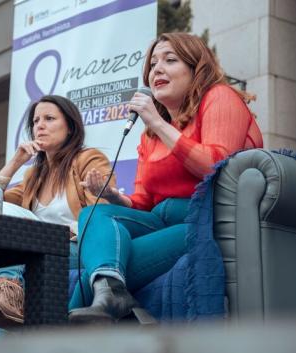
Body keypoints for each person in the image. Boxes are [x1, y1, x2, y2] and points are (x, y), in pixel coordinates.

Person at [68, 32, 263, 324]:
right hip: (159, 222)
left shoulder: (220, 97)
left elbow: (218, 165)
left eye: (170, 60)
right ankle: (111, 291)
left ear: (196, 68)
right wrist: (112, 196)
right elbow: (144, 202)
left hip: (203, 221)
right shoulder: (151, 135)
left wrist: (158, 123)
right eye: (153, 63)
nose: (156, 69)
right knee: (95, 213)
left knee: (92, 277)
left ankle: (56, 332)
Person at [0, 95, 114, 329]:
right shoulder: (33, 176)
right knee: (2, 245)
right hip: (36, 250)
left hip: (78, 247)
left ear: (70, 127)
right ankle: (6, 300)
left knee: (8, 262)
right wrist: (16, 161)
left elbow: (102, 213)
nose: (40, 126)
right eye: (36, 121)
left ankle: (5, 297)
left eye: (49, 118)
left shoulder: (89, 159)